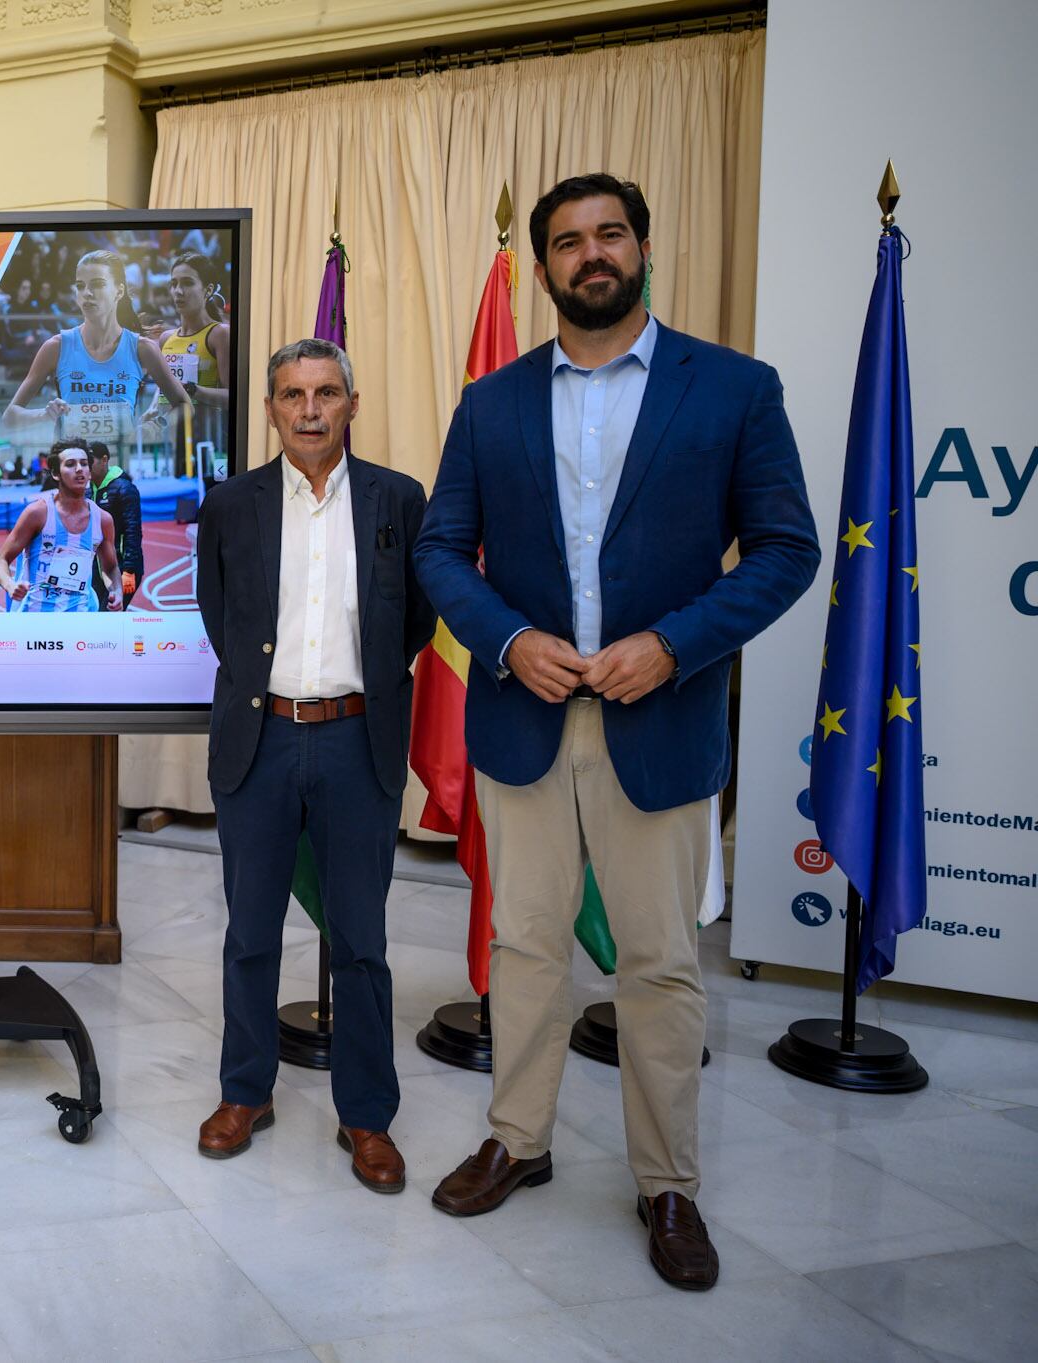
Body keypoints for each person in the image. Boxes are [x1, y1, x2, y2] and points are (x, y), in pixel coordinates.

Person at [413, 174, 818, 1289]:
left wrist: (673, 645)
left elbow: (786, 549)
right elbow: (442, 548)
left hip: (661, 718)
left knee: (656, 963)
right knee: (524, 947)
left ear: (641, 247)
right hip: (525, 718)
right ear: (540, 267)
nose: (589, 255)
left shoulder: (731, 389)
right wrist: (503, 640)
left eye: (608, 235)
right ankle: (517, 1139)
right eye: (566, 242)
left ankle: (666, 1182)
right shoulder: (490, 401)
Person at [193, 338, 436, 1189]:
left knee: (361, 942)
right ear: (270, 409)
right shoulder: (230, 504)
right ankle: (243, 1092)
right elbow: (218, 617)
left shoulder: (399, 501)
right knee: (250, 932)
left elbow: (414, 623)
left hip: (355, 740)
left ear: (351, 404)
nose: (309, 409)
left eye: (326, 392)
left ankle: (367, 1116)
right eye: (292, 394)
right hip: (258, 742)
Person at [3, 249, 192, 464]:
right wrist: (46, 415)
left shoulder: (142, 348)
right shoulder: (56, 346)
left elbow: (185, 406)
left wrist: (154, 428)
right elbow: (10, 416)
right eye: (81, 286)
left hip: (118, 479)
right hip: (70, 484)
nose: (87, 293)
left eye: (98, 284)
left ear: (119, 291)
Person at [0, 440, 122, 612]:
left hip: (80, 618)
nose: (79, 469)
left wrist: (116, 590)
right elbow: (0, 561)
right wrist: (10, 585)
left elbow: (111, 567)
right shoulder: (38, 513)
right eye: (70, 464)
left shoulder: (103, 520)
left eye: (84, 464)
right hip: (36, 619)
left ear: (90, 472)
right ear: (55, 473)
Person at [156, 253, 233, 476]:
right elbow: (162, 392)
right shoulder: (166, 339)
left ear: (208, 290)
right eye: (174, 284)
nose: (178, 291)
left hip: (210, 441)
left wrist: (193, 390)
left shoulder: (219, 334)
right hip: (172, 443)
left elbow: (233, 398)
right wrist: (151, 411)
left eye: (187, 283)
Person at [88, 440, 142, 609]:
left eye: (90, 461)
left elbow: (133, 531)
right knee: (96, 618)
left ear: (104, 460)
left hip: (121, 569)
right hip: (96, 570)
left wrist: (129, 570)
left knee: (109, 617)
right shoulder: (87, 490)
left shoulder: (124, 489)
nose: (85, 467)